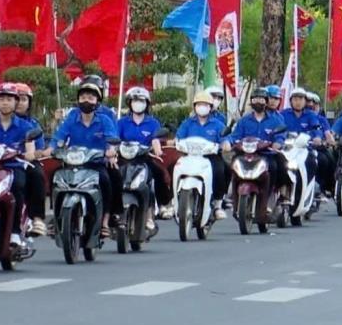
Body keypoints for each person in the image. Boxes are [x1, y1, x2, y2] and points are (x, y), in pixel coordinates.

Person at [52, 76, 123, 237]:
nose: (86, 101)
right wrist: (50, 149)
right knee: (54, 177)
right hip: (73, 162)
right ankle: (56, 218)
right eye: (83, 97)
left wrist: (111, 152)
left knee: (108, 179)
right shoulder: (72, 117)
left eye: (91, 97)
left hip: (96, 163)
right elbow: (59, 137)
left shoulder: (105, 118)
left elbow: (112, 138)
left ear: (98, 99)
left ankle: (106, 219)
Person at [0, 83, 42, 243]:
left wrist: (29, 153)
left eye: (9, 99)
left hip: (13, 168)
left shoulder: (26, 126)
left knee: (17, 187)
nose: (5, 103)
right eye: (1, 99)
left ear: (15, 102)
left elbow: (30, 148)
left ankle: (15, 231)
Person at [116, 86, 172, 225]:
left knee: (159, 173)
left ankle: (161, 206)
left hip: (144, 159)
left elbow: (155, 140)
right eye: (135, 100)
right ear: (129, 103)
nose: (138, 103)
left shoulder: (153, 123)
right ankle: (113, 211)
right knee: (112, 177)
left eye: (141, 100)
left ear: (147, 103)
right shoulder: (122, 122)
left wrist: (157, 149)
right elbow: (115, 138)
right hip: (124, 159)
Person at [173, 91, 228, 220]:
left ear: (210, 107)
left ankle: (218, 205)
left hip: (210, 157)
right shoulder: (187, 123)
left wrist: (225, 144)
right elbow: (179, 136)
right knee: (174, 168)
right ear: (195, 107)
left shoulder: (217, 124)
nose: (202, 107)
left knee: (221, 170)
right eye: (199, 104)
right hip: (190, 157)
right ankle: (173, 201)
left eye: (205, 105)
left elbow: (225, 139)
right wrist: (175, 141)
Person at [226, 87, 286, 186]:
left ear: (266, 102)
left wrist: (278, 143)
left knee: (273, 166)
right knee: (232, 165)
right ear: (251, 102)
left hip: (266, 154)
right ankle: (232, 192)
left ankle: (270, 191)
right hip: (245, 154)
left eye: (261, 100)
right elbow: (235, 136)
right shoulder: (244, 120)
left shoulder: (276, 120)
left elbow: (280, 136)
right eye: (255, 100)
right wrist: (227, 142)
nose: (258, 103)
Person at [14, 83, 48, 237]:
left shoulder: (33, 125)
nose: (19, 103)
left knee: (37, 175)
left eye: (23, 99)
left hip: (25, 163)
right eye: (16, 99)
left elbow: (39, 149)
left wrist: (32, 153)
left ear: (29, 103)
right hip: (0, 162)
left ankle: (37, 218)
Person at [279, 87, 324, 193]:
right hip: (288, 148)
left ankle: (311, 186)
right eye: (295, 99)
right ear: (291, 101)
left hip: (305, 149)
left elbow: (317, 128)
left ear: (305, 101)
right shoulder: (283, 114)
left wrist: (317, 137)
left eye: (301, 99)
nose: (298, 102)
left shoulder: (311, 115)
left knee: (315, 161)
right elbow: (278, 128)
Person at [304, 91, 335, 198]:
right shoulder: (301, 117)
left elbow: (328, 134)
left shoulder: (322, 119)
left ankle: (325, 187)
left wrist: (329, 142)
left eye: (314, 104)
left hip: (318, 148)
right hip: (301, 147)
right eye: (308, 104)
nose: (311, 106)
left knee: (328, 160)